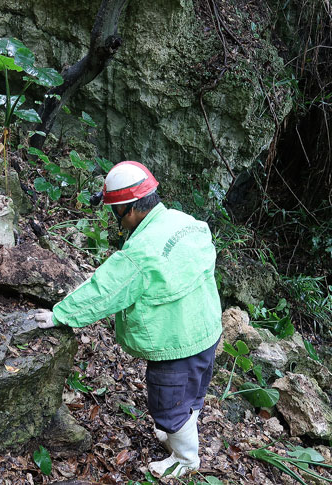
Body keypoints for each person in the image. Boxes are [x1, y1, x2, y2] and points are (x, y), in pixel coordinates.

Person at [33, 161, 222, 478]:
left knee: (169, 404)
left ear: (128, 209)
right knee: (192, 393)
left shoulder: (140, 254)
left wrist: (60, 315)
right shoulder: (186, 222)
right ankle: (178, 435)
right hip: (206, 328)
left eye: (114, 211)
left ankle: (186, 458)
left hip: (176, 343)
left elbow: (103, 291)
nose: (114, 218)